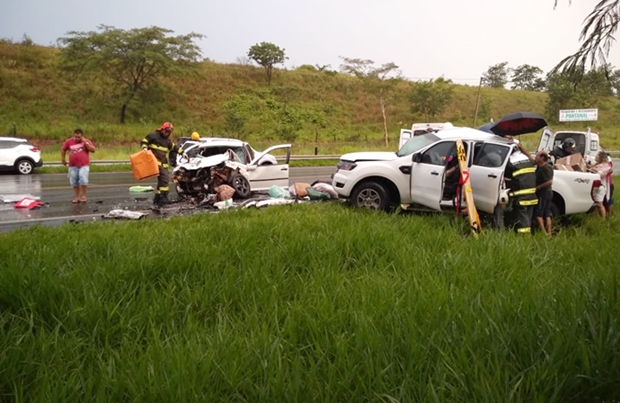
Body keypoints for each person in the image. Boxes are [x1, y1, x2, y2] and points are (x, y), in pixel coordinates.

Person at [140, 122, 181, 206]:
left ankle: (158, 198)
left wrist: (182, 152)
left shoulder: (167, 141)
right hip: (155, 163)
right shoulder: (153, 136)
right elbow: (144, 141)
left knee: (162, 181)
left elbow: (174, 147)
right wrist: (144, 148)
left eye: (169, 132)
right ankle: (163, 198)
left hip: (163, 164)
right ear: (162, 129)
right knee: (164, 180)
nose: (168, 134)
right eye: (167, 131)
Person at [521, 144, 553, 236]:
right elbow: (530, 157)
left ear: (542, 158)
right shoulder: (539, 165)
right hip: (547, 193)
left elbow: (550, 181)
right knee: (547, 214)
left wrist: (538, 188)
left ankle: (544, 233)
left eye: (538, 155)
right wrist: (522, 148)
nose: (536, 157)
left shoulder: (546, 168)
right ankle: (549, 233)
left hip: (545, 193)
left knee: (538, 214)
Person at [504, 146, 538, 234]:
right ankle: (530, 234)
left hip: (521, 197)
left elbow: (507, 179)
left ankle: (524, 237)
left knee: (523, 219)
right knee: (528, 217)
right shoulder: (527, 159)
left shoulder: (510, 161)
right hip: (532, 196)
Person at [61, 128, 95, 203]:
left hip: (84, 165)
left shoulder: (86, 141)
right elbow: (63, 149)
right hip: (73, 165)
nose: (77, 138)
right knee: (74, 181)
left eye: (79, 137)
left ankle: (83, 196)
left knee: (83, 179)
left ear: (82, 136)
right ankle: (77, 197)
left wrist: (85, 143)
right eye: (75, 137)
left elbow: (93, 150)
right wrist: (63, 159)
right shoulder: (69, 141)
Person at [588, 151, 613, 220]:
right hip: (596, 186)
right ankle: (593, 218)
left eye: (597, 156)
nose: (595, 157)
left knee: (599, 204)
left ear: (601, 157)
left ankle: (603, 220)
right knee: (594, 203)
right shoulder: (597, 164)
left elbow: (601, 174)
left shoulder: (606, 166)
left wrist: (595, 170)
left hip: (601, 187)